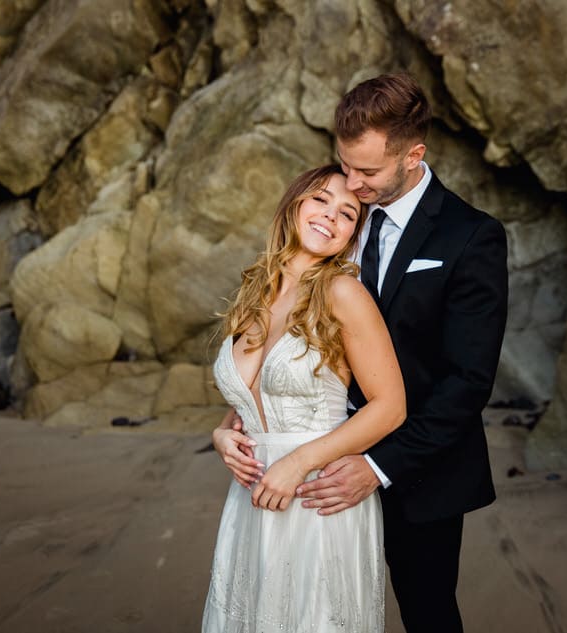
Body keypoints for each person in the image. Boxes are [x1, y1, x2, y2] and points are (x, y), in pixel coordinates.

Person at [295, 73, 510, 633]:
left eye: (367, 172)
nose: (351, 183)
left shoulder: (470, 236)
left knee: (427, 613)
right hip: (321, 461)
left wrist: (377, 466)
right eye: (344, 164)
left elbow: (467, 382)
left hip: (420, 474)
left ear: (414, 156)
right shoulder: (336, 215)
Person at [202, 164, 406, 632]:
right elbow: (258, 398)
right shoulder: (256, 291)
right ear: (294, 204)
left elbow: (391, 406)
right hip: (250, 500)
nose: (331, 216)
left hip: (316, 499)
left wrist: (297, 463)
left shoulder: (343, 293)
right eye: (320, 200)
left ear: (354, 233)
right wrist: (222, 433)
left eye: (348, 213)